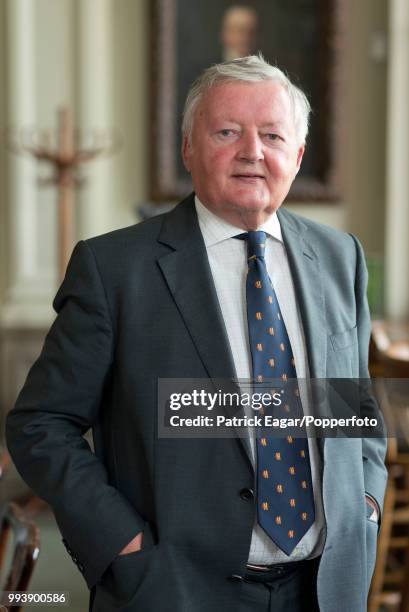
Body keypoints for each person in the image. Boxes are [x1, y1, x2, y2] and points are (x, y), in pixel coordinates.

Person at [6, 54, 387, 612]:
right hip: (173, 590)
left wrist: (367, 504)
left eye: (273, 135)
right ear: (188, 147)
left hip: (327, 587)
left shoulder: (339, 257)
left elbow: (353, 405)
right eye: (227, 131)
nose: (252, 152)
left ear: (298, 155)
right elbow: (41, 424)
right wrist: (122, 545)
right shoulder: (114, 269)